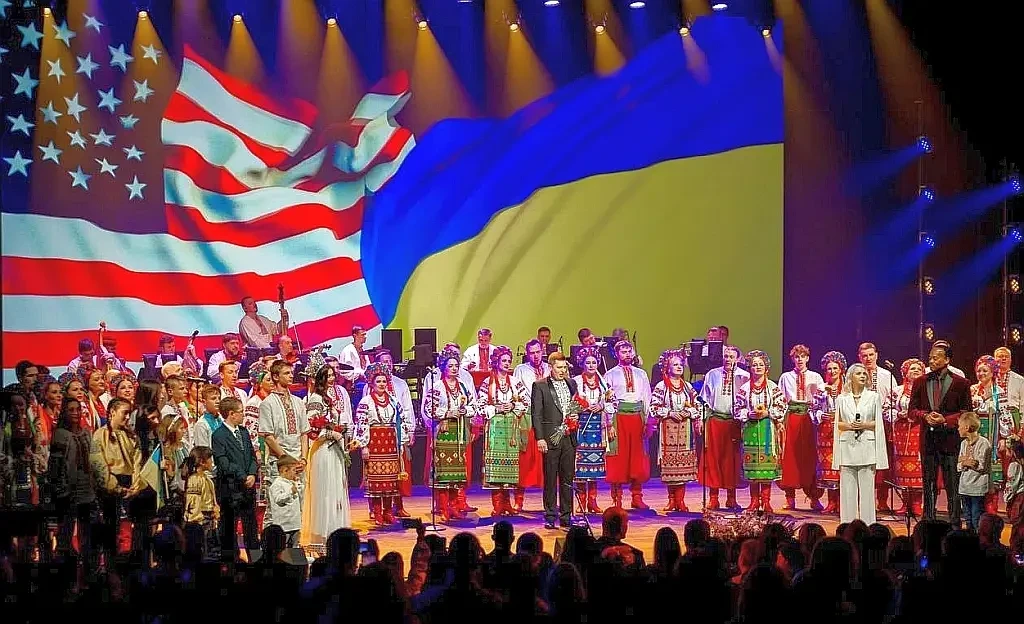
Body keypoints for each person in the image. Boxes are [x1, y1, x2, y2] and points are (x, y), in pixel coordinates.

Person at [907, 341, 972, 526]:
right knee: (928, 483)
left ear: (947, 360)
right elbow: (912, 410)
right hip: (928, 440)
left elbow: (966, 412)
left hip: (950, 440)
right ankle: (928, 520)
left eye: (936, 358)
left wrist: (945, 420)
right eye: (930, 358)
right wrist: (925, 416)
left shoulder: (961, 383)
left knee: (952, 483)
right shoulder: (920, 381)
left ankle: (954, 522)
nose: (932, 361)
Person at [303, 350, 355, 542]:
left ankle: (335, 530)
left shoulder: (328, 398)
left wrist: (342, 434)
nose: (332, 379)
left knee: (336, 490)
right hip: (323, 450)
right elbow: (311, 429)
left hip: (334, 449)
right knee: (325, 492)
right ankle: (322, 533)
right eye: (328, 376)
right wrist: (331, 433)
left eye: (333, 375)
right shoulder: (315, 399)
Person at [354, 363, 414, 526]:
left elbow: (401, 421)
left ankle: (388, 511)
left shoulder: (393, 401)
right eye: (378, 381)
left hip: (391, 444)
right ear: (372, 384)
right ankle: (377, 512)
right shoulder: (366, 402)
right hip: (375, 443)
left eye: (384, 381)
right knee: (376, 480)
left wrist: (402, 441)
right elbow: (361, 424)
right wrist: (364, 446)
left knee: (390, 479)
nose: (382, 384)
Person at [423, 351, 477, 521]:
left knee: (457, 472)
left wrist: (465, 411)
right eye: (450, 366)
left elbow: (474, 405)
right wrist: (447, 413)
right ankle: (444, 508)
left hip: (459, 432)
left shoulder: (463, 386)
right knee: (444, 471)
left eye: (456, 366)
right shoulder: (437, 387)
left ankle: (454, 506)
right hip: (444, 432)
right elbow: (428, 408)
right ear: (443, 368)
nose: (454, 369)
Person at [476, 346, 530, 516]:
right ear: (496, 362)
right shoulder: (488, 383)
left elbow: (526, 401)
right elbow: (480, 405)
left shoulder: (515, 382)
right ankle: (498, 504)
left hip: (511, 428)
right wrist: (497, 408)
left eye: (509, 361)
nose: (507, 363)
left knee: (510, 465)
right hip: (495, 427)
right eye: (504, 361)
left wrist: (513, 405)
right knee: (496, 466)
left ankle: (508, 503)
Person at [833, 363, 889, 524]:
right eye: (859, 373)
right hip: (847, 447)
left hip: (867, 447)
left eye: (864, 373)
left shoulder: (873, 397)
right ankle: (847, 526)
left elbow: (878, 423)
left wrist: (864, 425)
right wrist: (850, 426)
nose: (863, 376)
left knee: (867, 493)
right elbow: (839, 424)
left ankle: (869, 525)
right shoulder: (842, 399)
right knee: (847, 492)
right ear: (850, 377)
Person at [531, 352, 580, 529]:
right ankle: (550, 516)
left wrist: (576, 414)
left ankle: (566, 516)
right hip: (551, 437)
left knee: (567, 478)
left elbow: (575, 405)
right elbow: (536, 414)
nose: (562, 370)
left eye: (564, 367)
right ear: (550, 367)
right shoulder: (540, 385)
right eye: (559, 367)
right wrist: (540, 438)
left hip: (569, 437)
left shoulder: (571, 383)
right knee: (551, 478)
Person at [648, 348, 700, 512]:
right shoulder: (661, 386)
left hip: (685, 430)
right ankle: (671, 500)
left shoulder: (688, 387)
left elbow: (698, 405)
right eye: (675, 364)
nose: (679, 367)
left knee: (683, 466)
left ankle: (681, 500)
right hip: (668, 430)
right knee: (671, 467)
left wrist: (688, 412)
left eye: (681, 365)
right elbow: (653, 407)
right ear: (667, 367)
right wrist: (670, 413)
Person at [735, 350, 787, 513]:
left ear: (766, 368)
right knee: (752, 467)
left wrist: (768, 413)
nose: (757, 367)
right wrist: (747, 414)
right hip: (750, 429)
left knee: (766, 466)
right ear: (750, 368)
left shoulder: (772, 387)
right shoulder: (744, 388)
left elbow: (782, 405)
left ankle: (766, 501)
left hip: (767, 429)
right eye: (754, 365)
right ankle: (754, 501)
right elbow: (737, 408)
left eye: (760, 365)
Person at [698, 345, 749, 510]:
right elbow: (704, 399)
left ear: (738, 359)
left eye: (731, 357)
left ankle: (731, 498)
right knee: (713, 459)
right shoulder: (712, 374)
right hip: (715, 420)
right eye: (726, 356)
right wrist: (701, 420)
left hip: (734, 422)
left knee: (731, 461)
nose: (728, 359)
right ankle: (713, 497)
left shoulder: (744, 377)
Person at [604, 340, 652, 509]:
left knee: (637, 457)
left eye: (629, 351)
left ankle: (637, 496)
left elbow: (646, 396)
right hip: (619, 418)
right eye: (623, 352)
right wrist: (609, 423)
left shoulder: (641, 374)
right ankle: (617, 498)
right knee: (618, 457)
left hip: (637, 418)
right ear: (617, 354)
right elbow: (607, 400)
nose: (627, 354)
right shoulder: (610, 374)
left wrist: (648, 420)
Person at [778, 345, 825, 511]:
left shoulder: (815, 377)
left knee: (810, 457)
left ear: (807, 358)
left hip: (809, 419)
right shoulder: (786, 377)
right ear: (792, 359)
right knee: (790, 457)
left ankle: (814, 497)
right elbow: (780, 399)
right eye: (796, 357)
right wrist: (780, 422)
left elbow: (822, 399)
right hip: (791, 419)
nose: (799, 360)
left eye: (802, 356)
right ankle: (789, 498)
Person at [212, 396, 260, 559]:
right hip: (231, 489)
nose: (243, 415)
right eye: (241, 412)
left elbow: (252, 456)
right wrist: (243, 476)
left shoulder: (244, 432)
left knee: (251, 528)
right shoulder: (218, 435)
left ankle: (255, 560)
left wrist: (252, 474)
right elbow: (223, 462)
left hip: (247, 489)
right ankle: (231, 563)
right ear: (231, 414)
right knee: (229, 529)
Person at [572, 346, 611, 513]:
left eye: (594, 362)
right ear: (582, 364)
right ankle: (581, 501)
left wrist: (601, 406)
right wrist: (583, 406)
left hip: (598, 427)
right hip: (581, 426)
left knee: (595, 465)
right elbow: (569, 403)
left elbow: (613, 402)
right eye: (588, 362)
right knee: (580, 465)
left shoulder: (603, 383)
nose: (591, 365)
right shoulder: (575, 382)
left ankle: (592, 501)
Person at [511, 339, 549, 513]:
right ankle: (518, 500)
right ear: (527, 354)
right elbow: (517, 393)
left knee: (548, 460)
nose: (535, 356)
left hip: (548, 417)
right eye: (532, 353)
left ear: (542, 351)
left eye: (538, 352)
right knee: (525, 459)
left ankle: (549, 501)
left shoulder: (549, 368)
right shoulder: (521, 369)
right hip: (527, 416)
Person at [971, 355, 1011, 514]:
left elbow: (1005, 416)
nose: (981, 373)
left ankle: (990, 512)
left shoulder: (999, 392)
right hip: (974, 436)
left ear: (993, 372)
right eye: (979, 370)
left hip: (992, 437)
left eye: (985, 370)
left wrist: (1004, 438)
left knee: (991, 477)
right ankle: (975, 512)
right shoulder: (972, 390)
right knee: (974, 473)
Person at [892, 358, 926, 516]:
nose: (916, 371)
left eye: (919, 369)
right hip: (902, 432)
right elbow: (886, 409)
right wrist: (899, 414)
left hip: (919, 430)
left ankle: (917, 503)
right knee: (902, 467)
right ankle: (905, 502)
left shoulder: (927, 390)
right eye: (912, 369)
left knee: (919, 466)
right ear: (905, 372)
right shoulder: (897, 391)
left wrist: (918, 415)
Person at [816, 351, 847, 515]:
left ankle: (843, 502)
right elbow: (813, 409)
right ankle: (831, 502)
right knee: (828, 467)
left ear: (841, 369)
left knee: (843, 466)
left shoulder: (848, 388)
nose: (832, 371)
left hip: (843, 430)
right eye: (829, 369)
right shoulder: (821, 389)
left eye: (835, 368)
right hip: (825, 431)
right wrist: (821, 415)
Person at [183, 445, 220, 561]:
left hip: (208, 521)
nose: (211, 462)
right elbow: (193, 504)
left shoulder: (206, 478)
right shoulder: (195, 480)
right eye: (209, 459)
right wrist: (196, 522)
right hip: (199, 522)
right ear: (202, 462)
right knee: (200, 554)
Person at [956, 412, 991, 532]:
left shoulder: (984, 443)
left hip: (977, 488)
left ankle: (978, 540)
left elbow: (981, 465)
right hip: (964, 487)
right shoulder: (963, 444)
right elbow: (959, 465)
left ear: (966, 427)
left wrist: (965, 461)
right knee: (968, 519)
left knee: (976, 519)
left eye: (959, 426)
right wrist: (965, 462)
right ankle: (969, 539)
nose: (958, 429)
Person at [266, 454, 303, 547]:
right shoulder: (277, 484)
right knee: (283, 546)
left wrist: (299, 485)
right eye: (293, 470)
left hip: (295, 524)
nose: (295, 473)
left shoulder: (292, 482)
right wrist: (291, 492)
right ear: (284, 470)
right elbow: (278, 499)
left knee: (294, 547)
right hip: (284, 525)